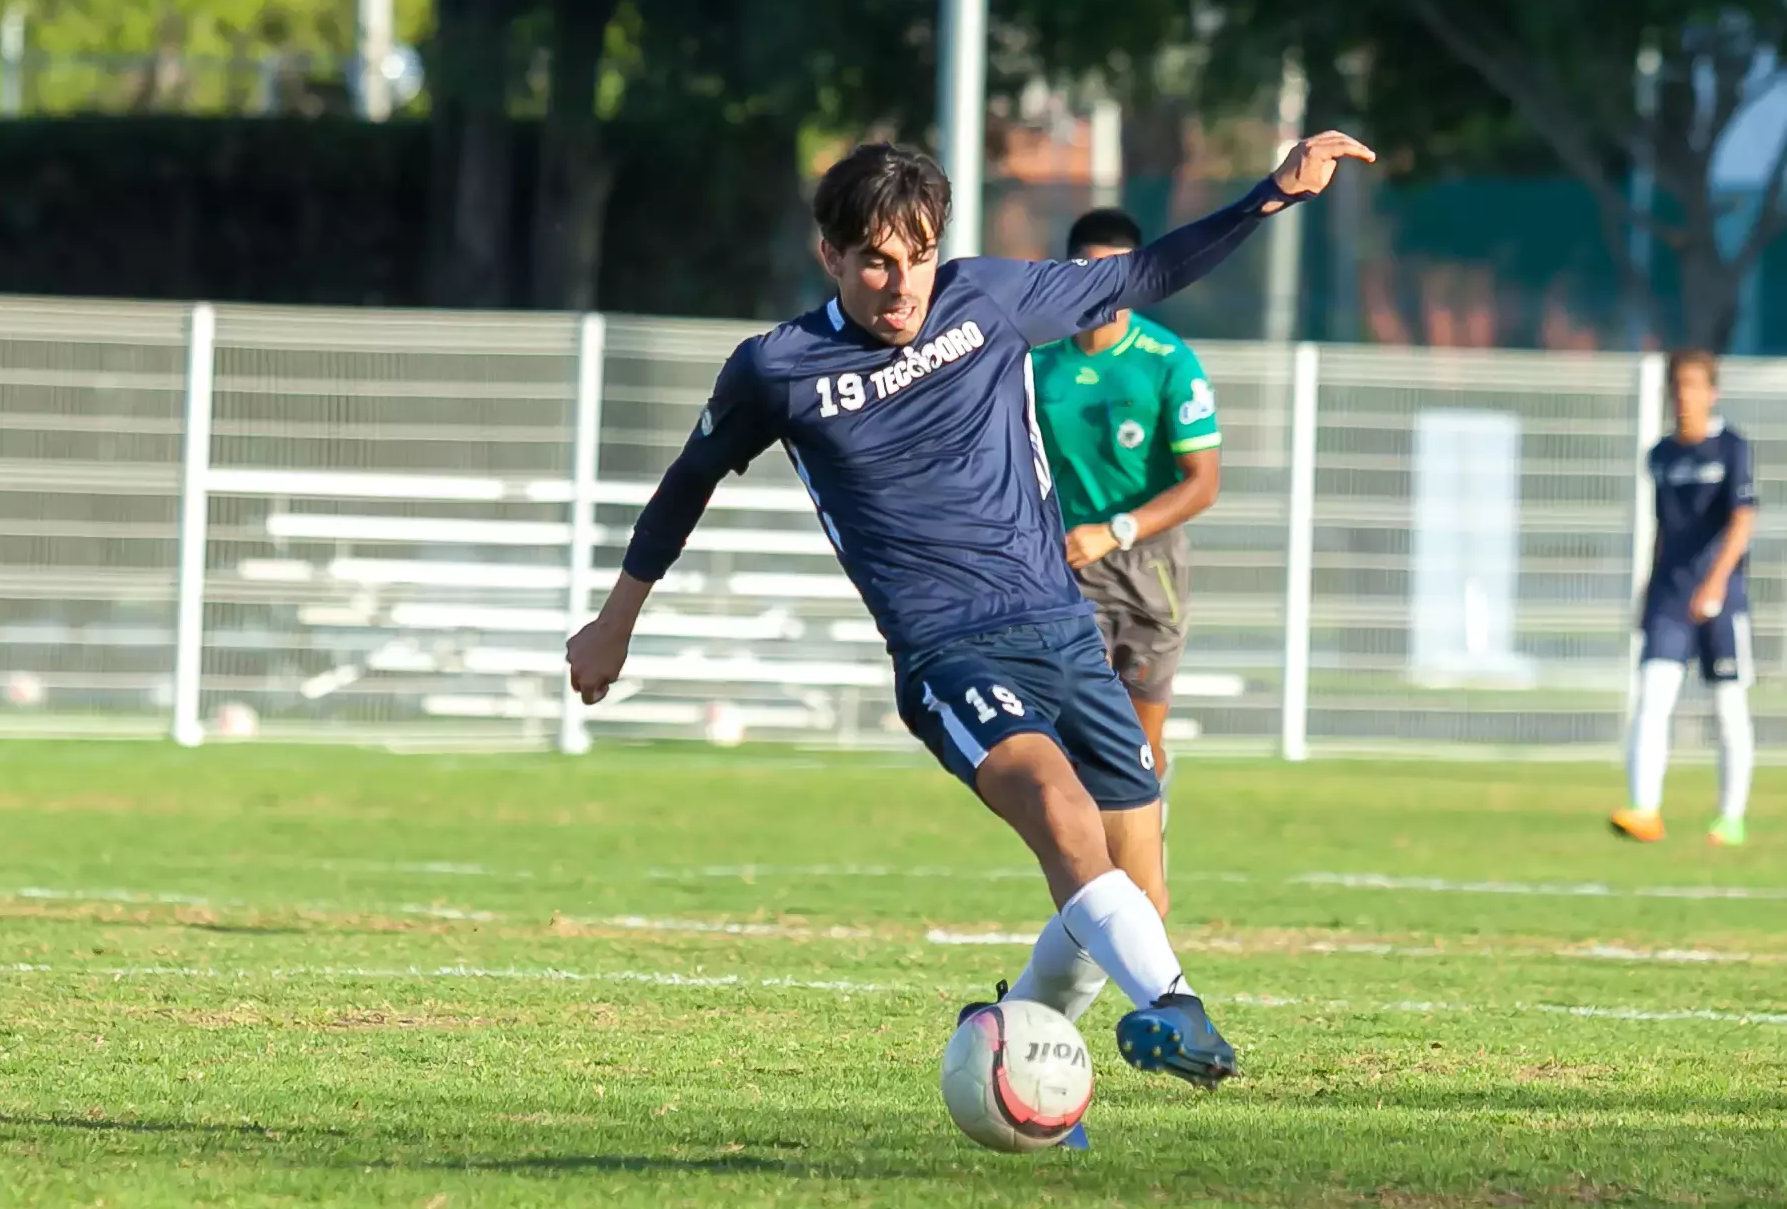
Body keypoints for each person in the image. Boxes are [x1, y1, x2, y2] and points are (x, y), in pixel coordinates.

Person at [567, 132, 1374, 1112]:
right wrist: (617, 621)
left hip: (1065, 632)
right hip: (949, 650)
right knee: (1061, 816)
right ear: (829, 255)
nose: (898, 281)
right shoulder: (779, 370)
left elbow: (1147, 269)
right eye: (872, 259)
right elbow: (685, 484)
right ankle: (1174, 1001)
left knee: (1133, 896)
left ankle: (1007, 1054)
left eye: (915, 254)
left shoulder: (989, 299)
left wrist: (1271, 196)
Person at [1030, 208, 1221, 915]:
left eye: (1116, 273)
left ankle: (1143, 858)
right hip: (1061, 570)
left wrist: (1117, 529)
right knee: (1070, 739)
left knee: (1140, 742)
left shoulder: (1168, 362)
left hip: (1146, 570)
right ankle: (1097, 885)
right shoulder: (1036, 360)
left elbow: (1203, 482)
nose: (1101, 287)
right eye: (1088, 271)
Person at [1612, 350, 1758, 848]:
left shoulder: (1731, 449)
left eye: (1694, 385)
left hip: (1721, 601)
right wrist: (1649, 592)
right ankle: (1644, 809)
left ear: (1712, 392)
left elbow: (1743, 520)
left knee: (1728, 708)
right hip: (1669, 601)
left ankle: (1730, 817)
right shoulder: (1660, 455)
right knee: (1652, 699)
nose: (1684, 396)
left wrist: (1716, 582)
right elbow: (1661, 529)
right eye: (1678, 386)